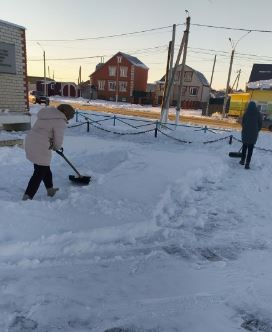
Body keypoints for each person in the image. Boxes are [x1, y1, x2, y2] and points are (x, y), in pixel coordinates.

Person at [23, 104, 75, 200]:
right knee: (40, 171)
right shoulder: (60, 120)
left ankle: (50, 189)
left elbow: (44, 130)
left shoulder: (47, 113)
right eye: (69, 117)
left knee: (44, 167)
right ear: (66, 114)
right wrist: (56, 147)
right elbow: (58, 139)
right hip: (40, 145)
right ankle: (27, 196)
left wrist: (52, 143)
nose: (68, 119)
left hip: (30, 141)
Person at [239, 101, 262, 169]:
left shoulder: (246, 113)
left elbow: (242, 123)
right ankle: (247, 164)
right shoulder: (258, 113)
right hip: (253, 134)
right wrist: (257, 130)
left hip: (245, 133)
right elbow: (260, 124)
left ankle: (242, 161)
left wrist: (245, 128)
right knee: (250, 149)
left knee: (244, 147)